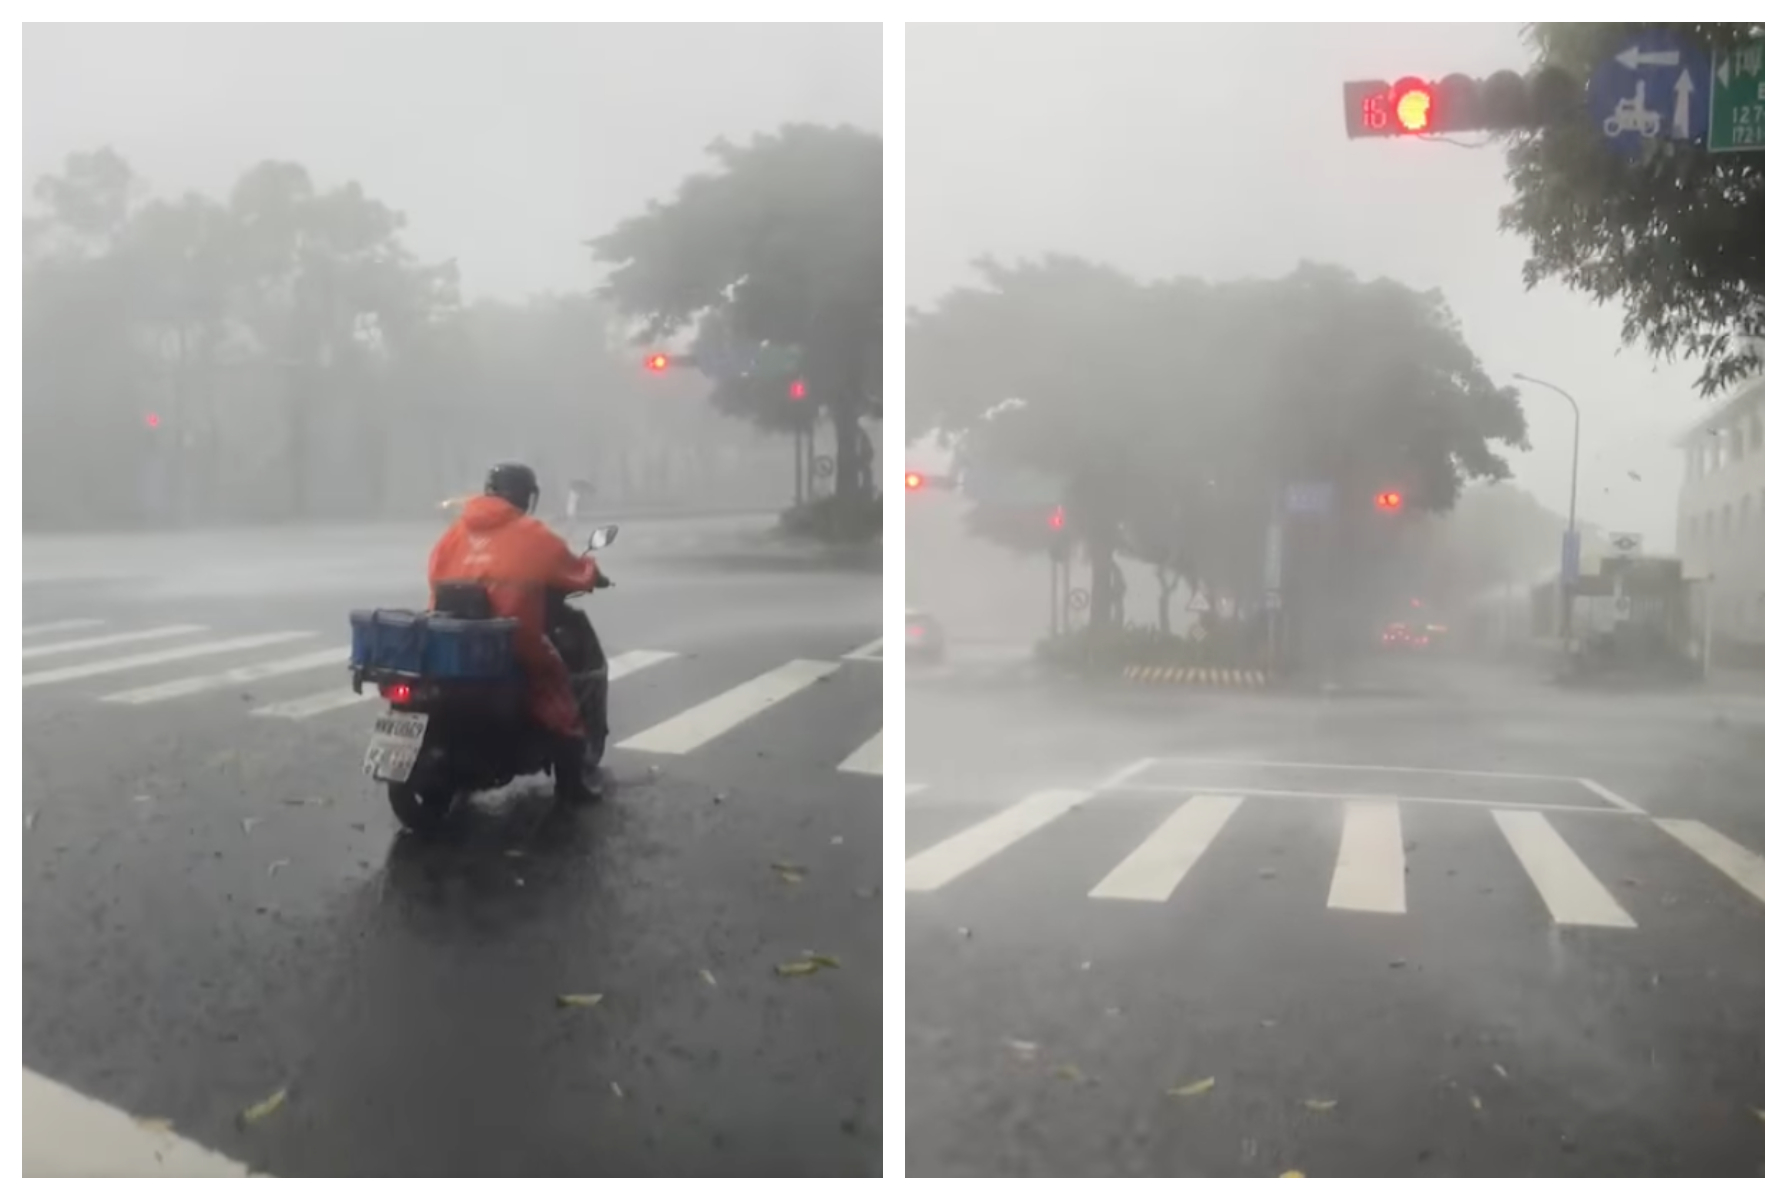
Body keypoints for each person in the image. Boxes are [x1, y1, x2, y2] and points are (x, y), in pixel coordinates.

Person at [427, 462, 604, 802]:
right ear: (527, 496)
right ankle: (573, 782)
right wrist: (592, 573)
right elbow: (575, 570)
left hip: (451, 639)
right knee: (554, 683)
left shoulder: (456, 531)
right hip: (511, 638)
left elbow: (434, 572)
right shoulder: (533, 535)